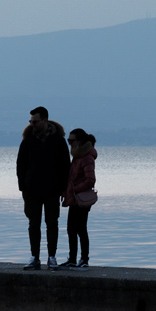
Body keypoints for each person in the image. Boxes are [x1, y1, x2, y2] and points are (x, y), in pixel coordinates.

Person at [15, 105, 70, 270]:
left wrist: (63, 188)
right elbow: (20, 165)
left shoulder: (58, 141)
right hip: (31, 189)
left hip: (52, 189)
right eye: (31, 121)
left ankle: (51, 257)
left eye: (35, 121)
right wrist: (22, 188)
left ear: (45, 120)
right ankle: (35, 257)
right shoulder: (28, 141)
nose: (32, 124)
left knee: (52, 223)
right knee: (33, 223)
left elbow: (65, 166)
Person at [61, 128, 98, 269]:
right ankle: (72, 259)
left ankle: (84, 259)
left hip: (81, 199)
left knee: (81, 228)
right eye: (68, 140)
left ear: (80, 141)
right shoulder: (77, 157)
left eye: (71, 140)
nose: (69, 143)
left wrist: (74, 189)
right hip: (74, 198)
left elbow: (90, 180)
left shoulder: (86, 157)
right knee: (71, 229)